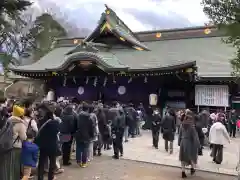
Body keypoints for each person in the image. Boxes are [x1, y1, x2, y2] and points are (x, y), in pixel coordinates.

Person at [35, 103, 61, 180]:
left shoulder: (40, 122)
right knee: (52, 163)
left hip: (43, 145)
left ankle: (40, 177)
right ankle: (51, 177)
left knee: (41, 162)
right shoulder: (56, 123)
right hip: (52, 145)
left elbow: (38, 133)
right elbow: (57, 132)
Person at [178, 111, 200, 178]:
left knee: (182, 158)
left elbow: (180, 135)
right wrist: (198, 145)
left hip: (183, 142)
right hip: (190, 143)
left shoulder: (181, 125)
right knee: (191, 156)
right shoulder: (192, 127)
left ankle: (183, 172)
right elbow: (195, 137)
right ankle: (192, 168)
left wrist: (179, 142)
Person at [8, 105, 27, 180]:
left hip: (8, 146)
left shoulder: (8, 121)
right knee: (16, 165)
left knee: (9, 165)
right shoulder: (20, 124)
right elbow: (24, 137)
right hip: (16, 147)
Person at [74, 103, 94, 167]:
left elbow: (75, 126)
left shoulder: (77, 116)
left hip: (78, 134)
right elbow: (91, 128)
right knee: (85, 149)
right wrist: (92, 135)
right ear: (87, 109)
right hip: (86, 135)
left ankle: (78, 161)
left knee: (78, 148)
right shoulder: (90, 118)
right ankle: (84, 163)